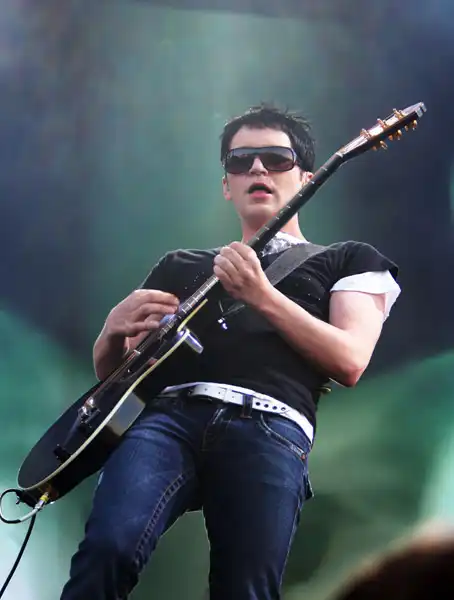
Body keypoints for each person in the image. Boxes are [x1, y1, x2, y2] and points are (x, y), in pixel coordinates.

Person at [60, 104, 401, 600]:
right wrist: (110, 334)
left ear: (306, 179)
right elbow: (119, 379)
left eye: (276, 159)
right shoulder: (182, 265)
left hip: (270, 425)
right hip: (168, 419)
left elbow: (350, 360)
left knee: (245, 590)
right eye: (242, 161)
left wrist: (260, 294)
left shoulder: (348, 259)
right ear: (227, 185)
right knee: (107, 549)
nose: (258, 168)